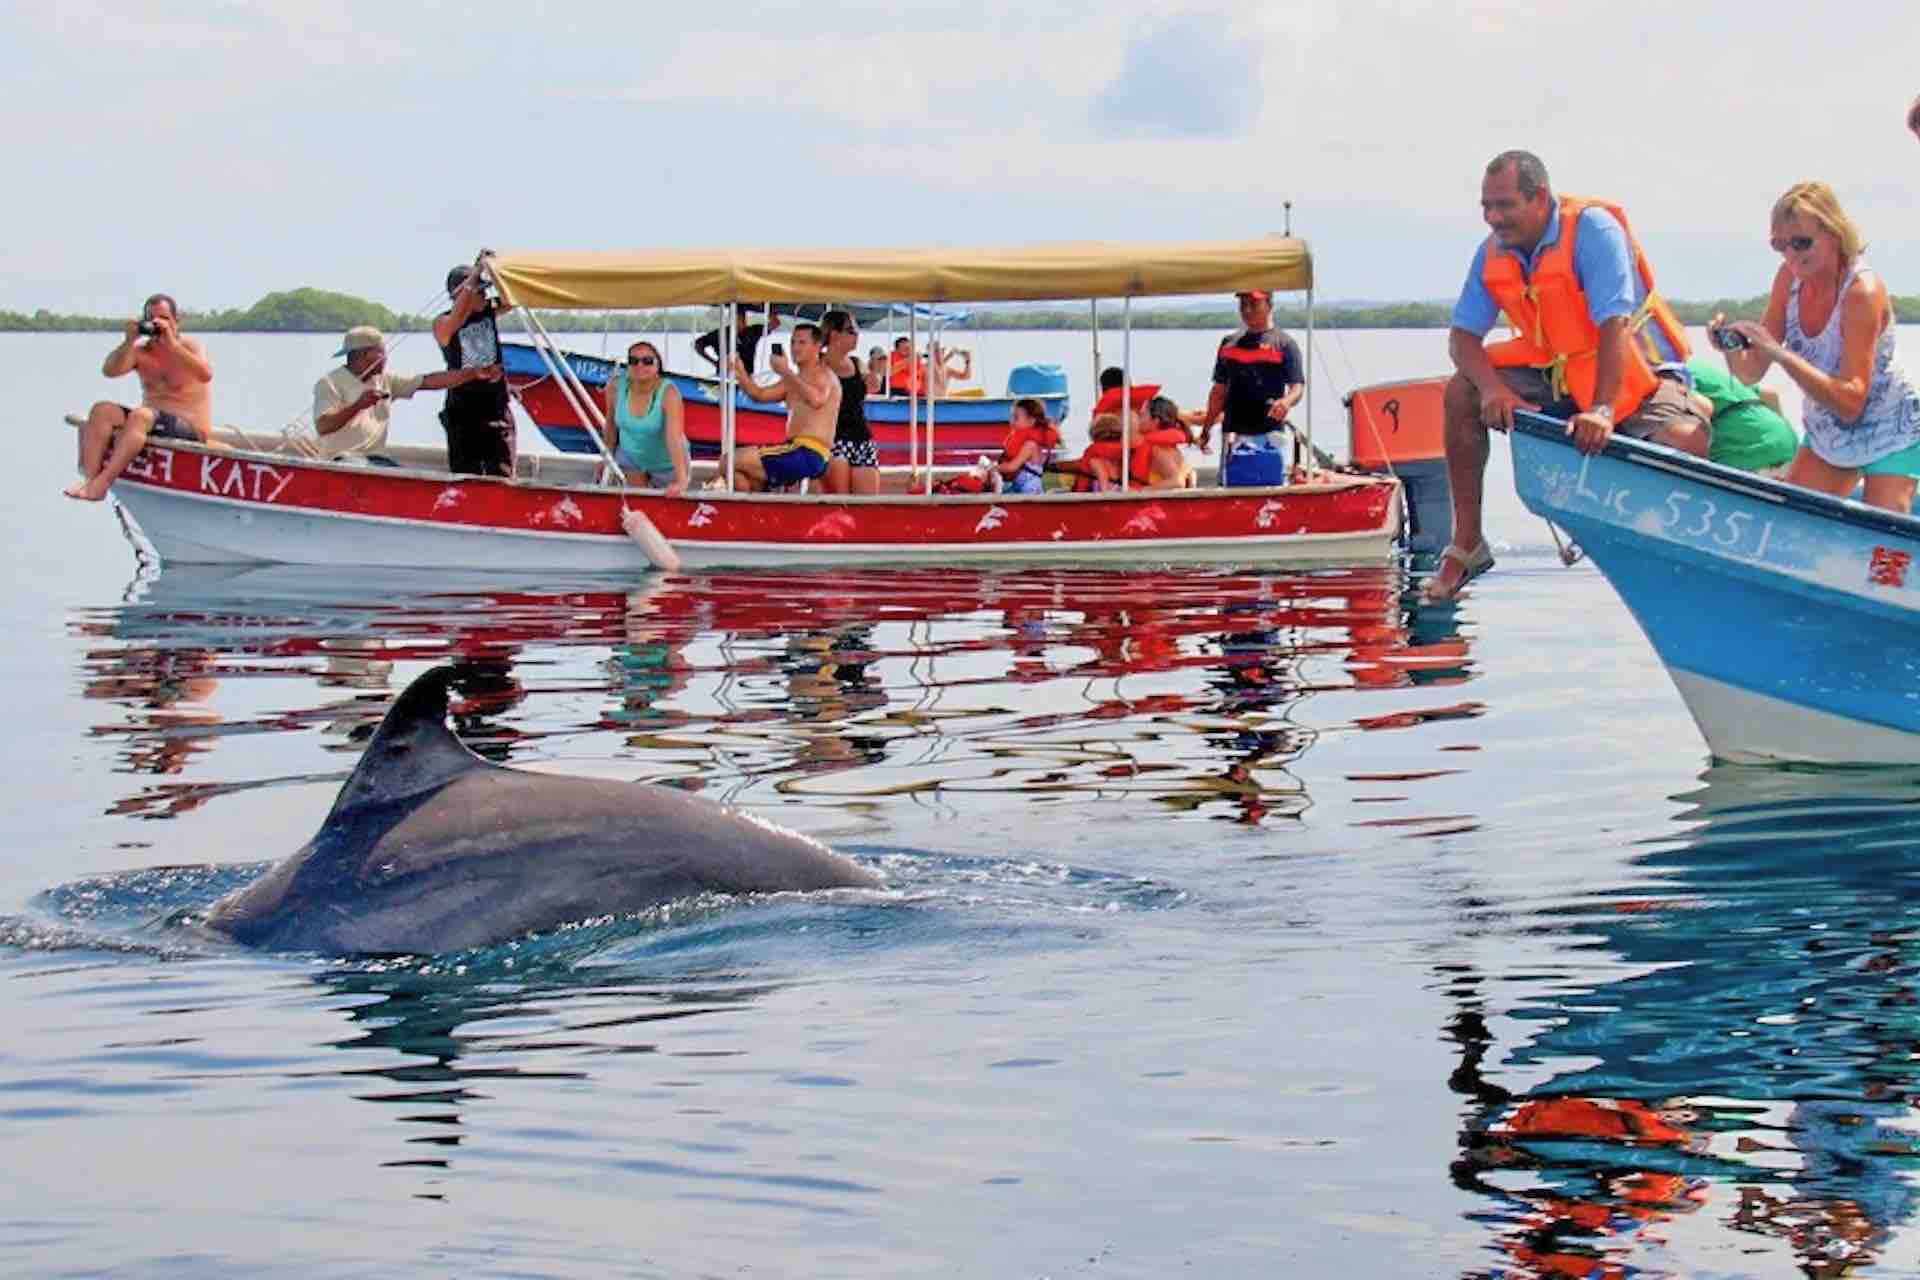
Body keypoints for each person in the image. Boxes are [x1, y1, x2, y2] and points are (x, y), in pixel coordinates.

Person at [1425, 150, 1711, 601]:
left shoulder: (1593, 231)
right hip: (1560, 376)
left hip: (1635, 375)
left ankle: (1678, 548)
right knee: (1461, 390)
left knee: (1684, 437)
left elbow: (1612, 324)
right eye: (1486, 207)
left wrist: (1601, 410)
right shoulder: (1492, 252)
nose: (1494, 218)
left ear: (1539, 198)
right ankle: (1468, 542)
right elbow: (1462, 339)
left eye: (1504, 206)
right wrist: (1492, 388)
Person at [1713, 184, 1920, 512]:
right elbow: (1750, 372)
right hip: (1829, 432)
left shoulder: (1861, 292)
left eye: (1801, 242)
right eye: (1780, 245)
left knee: (1882, 545)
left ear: (1834, 233)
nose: (1791, 256)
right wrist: (1727, 346)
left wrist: (1781, 354)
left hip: (1889, 428)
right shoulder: (1787, 279)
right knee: (1789, 524)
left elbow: (1851, 402)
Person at [69, 293, 213, 501]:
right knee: (102, 410)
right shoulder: (141, 351)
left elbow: (205, 374)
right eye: (153, 319)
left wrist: (172, 345)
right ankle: (90, 480)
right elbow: (109, 371)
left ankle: (103, 483)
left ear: (176, 321)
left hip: (188, 426)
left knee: (141, 416)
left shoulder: (190, 347)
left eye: (164, 318)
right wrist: (129, 341)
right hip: (149, 420)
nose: (159, 324)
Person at [313, 326, 503, 462]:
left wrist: (473, 373)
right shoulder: (330, 383)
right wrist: (358, 406)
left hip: (375, 459)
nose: (386, 358)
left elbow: (428, 381)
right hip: (341, 460)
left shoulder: (386, 380)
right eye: (381, 353)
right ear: (362, 355)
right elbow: (323, 426)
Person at [1201, 290, 1305, 486]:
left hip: (1268, 435)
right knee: (1230, 488)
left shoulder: (1285, 344)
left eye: (1254, 304)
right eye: (1243, 305)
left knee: (1270, 490)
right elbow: (1218, 392)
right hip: (1233, 434)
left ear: (1269, 305)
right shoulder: (1229, 344)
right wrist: (1206, 428)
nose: (1247, 310)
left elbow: (1297, 387)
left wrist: (1287, 401)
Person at [728, 322, 839, 492]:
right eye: (793, 342)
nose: (795, 348)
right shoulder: (795, 379)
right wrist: (740, 372)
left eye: (802, 342)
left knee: (729, 461)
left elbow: (816, 399)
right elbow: (759, 395)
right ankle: (759, 512)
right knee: (739, 476)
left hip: (809, 452)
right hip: (793, 450)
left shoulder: (823, 374)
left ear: (817, 346)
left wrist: (785, 371)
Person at [433, 264, 516, 477]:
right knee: (466, 474)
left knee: (501, 473)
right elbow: (453, 323)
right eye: (481, 290)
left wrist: (494, 270)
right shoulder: (442, 323)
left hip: (495, 407)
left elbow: (513, 298)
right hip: (463, 412)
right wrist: (472, 283)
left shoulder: (489, 310)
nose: (485, 295)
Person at [599, 339, 690, 495]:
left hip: (667, 463)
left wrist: (682, 480)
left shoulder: (669, 392)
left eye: (647, 361)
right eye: (633, 361)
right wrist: (606, 457)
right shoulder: (615, 386)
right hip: (631, 457)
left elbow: (674, 438)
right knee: (637, 502)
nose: (640, 366)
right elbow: (611, 427)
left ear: (657, 365)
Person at [1682, 356, 1798, 476]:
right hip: (1788, 442)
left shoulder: (1669, 377)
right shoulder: (1700, 369)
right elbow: (1771, 395)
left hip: (1744, 448)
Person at [819, 310, 879, 495]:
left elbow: (872, 387)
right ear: (835, 335)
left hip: (862, 439)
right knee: (840, 503)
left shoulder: (856, 363)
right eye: (852, 330)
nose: (857, 335)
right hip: (833, 440)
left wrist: (874, 377)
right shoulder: (817, 364)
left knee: (868, 506)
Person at [992, 398, 1062, 494]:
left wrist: (993, 467)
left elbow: (1012, 467)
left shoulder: (1030, 445)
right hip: (1019, 486)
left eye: (1016, 418)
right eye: (1012, 417)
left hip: (1030, 489)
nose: (1011, 421)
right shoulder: (1027, 442)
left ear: (1031, 421)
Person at [694, 308, 778, 375]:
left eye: (742, 318)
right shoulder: (720, 333)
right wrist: (713, 362)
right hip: (724, 377)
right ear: (730, 319)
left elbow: (775, 323)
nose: (740, 322)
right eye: (736, 318)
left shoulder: (753, 330)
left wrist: (768, 310)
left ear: (745, 319)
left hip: (746, 377)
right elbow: (698, 344)